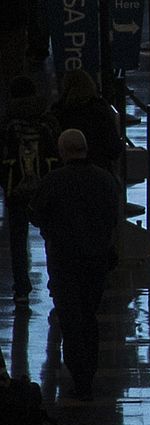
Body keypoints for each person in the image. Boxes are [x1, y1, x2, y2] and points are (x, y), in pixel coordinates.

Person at [29, 129, 118, 401]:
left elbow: (36, 213)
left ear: (63, 151)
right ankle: (87, 374)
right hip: (96, 258)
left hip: (64, 259)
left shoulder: (54, 181)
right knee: (89, 316)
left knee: (70, 318)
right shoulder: (105, 179)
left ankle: (79, 375)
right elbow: (113, 215)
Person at [0, 75, 59, 305]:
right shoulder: (46, 119)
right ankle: (55, 284)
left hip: (16, 189)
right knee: (51, 237)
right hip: (46, 186)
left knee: (17, 239)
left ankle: (22, 289)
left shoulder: (7, 123)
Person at [51, 69, 124, 174]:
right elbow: (114, 148)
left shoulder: (59, 112)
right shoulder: (100, 110)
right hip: (98, 170)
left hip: (65, 172)